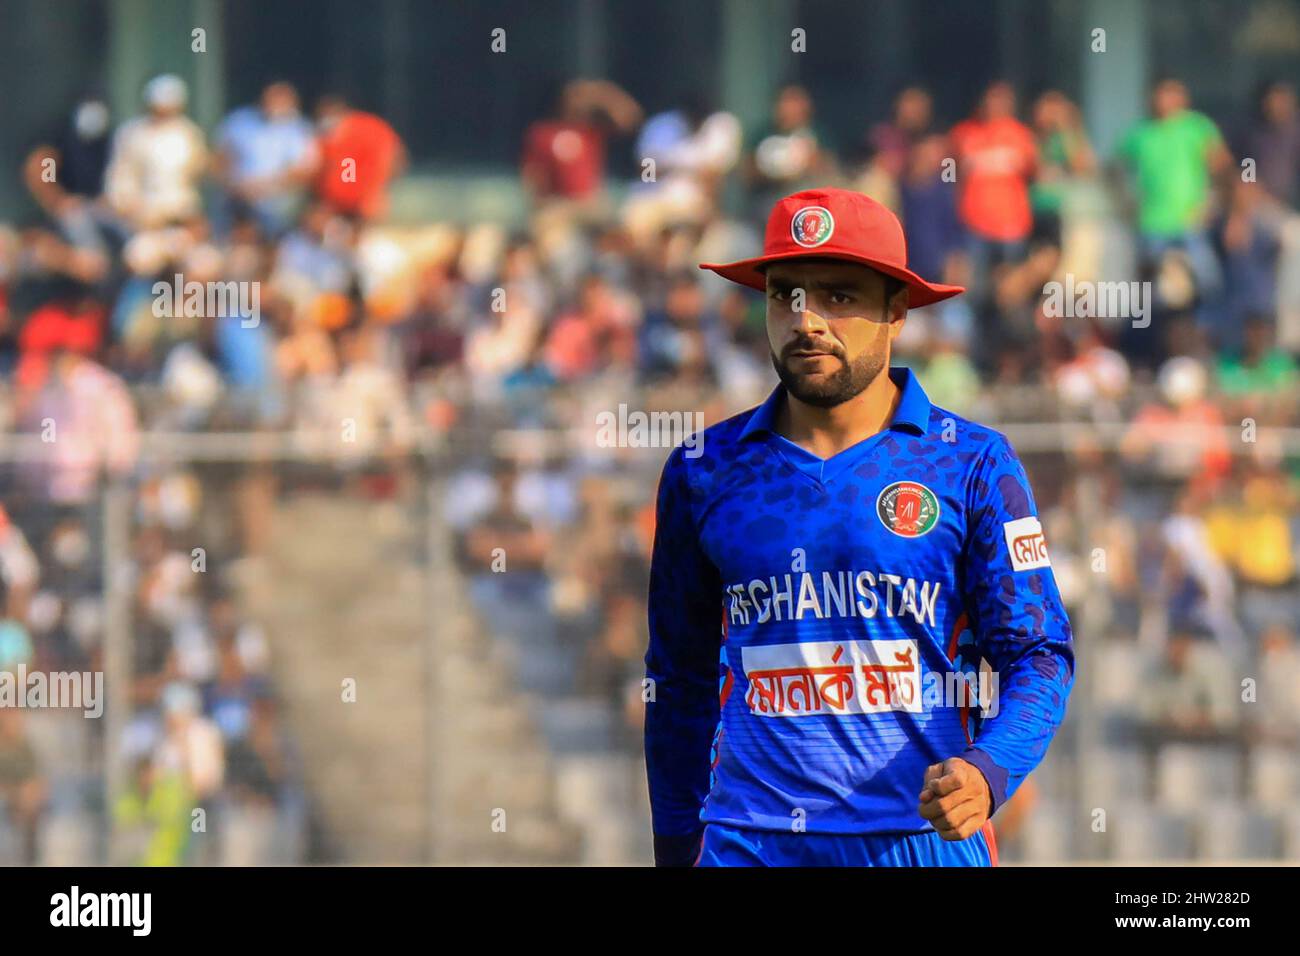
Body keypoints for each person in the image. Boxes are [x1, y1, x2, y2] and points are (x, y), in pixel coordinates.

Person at [645, 187, 1075, 866]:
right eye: (786, 295)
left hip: (918, 844)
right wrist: (674, 851)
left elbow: (1039, 654)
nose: (807, 320)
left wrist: (988, 770)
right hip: (748, 844)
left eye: (839, 297)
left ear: (897, 311)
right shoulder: (704, 470)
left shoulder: (971, 462)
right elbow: (678, 681)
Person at [313, 94, 406, 221]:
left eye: (329, 114)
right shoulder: (324, 137)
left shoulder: (368, 128)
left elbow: (397, 158)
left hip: (366, 205)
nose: (326, 119)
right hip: (334, 206)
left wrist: (379, 189)